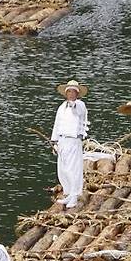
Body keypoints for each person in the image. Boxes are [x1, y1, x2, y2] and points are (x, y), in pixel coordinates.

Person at [51, 79, 89, 209]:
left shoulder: (80, 105)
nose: (71, 94)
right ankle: (68, 193)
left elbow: (78, 111)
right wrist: (54, 141)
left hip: (73, 140)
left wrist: (73, 103)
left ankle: (74, 196)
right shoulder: (62, 107)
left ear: (77, 94)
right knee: (63, 169)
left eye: (73, 92)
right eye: (69, 92)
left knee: (72, 169)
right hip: (63, 140)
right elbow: (57, 125)